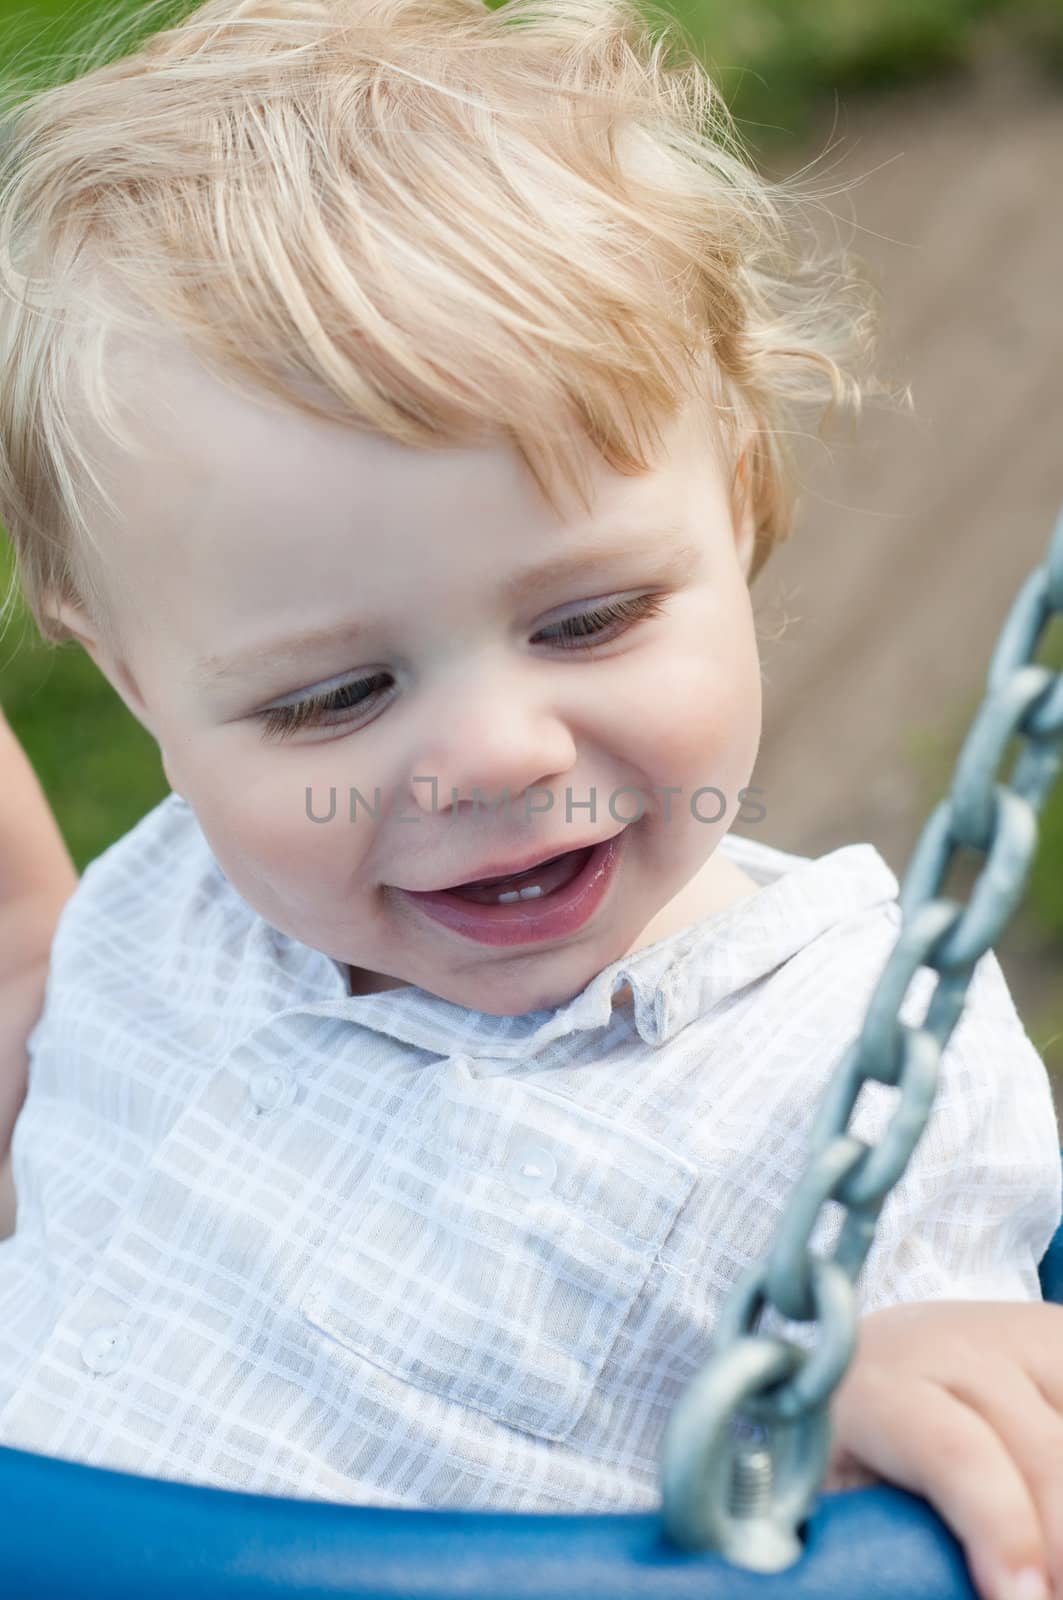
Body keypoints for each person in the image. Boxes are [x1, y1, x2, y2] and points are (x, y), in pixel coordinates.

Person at [0, 3, 1059, 1599]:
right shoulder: (170, 909)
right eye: (329, 697)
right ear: (134, 681)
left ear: (744, 500)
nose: (495, 754)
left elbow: (941, 1473)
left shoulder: (853, 1058)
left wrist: (892, 1390)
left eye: (592, 620)